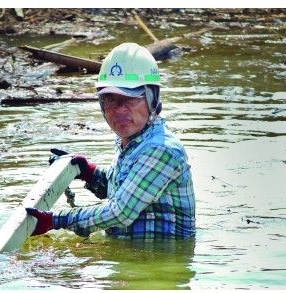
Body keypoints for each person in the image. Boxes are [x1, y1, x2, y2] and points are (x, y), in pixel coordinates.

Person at [26, 42, 196, 239]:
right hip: (133, 257)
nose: (119, 110)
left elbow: (120, 212)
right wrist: (90, 174)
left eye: (131, 99)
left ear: (152, 99)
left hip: (163, 261)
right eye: (111, 99)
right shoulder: (131, 140)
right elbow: (125, 190)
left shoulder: (161, 150)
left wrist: (57, 220)